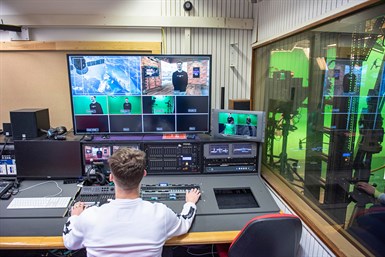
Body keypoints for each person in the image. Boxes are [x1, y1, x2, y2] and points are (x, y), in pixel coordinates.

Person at [63, 147, 201, 257]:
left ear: (111, 177)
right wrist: (190, 203)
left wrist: (74, 216)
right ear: (144, 174)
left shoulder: (89, 217)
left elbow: (70, 243)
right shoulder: (160, 214)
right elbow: (184, 223)